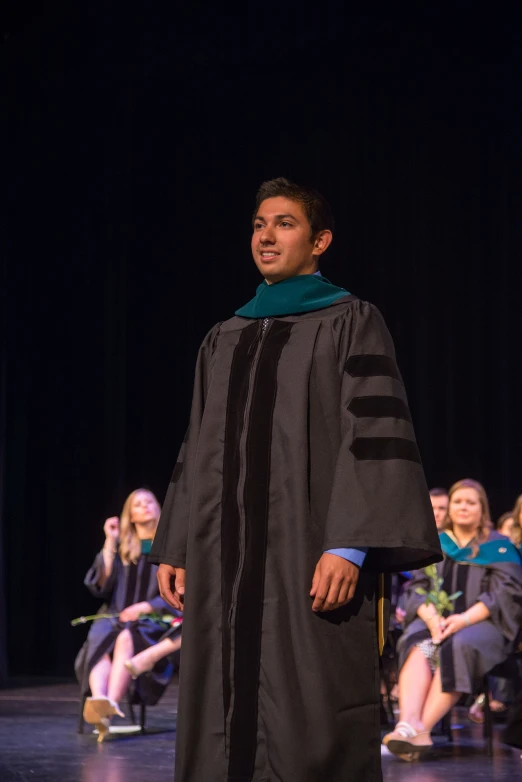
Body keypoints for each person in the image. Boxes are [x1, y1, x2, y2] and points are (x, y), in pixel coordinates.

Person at [150, 177, 442, 781]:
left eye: (284, 223)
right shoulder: (222, 337)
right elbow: (196, 442)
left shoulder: (351, 321)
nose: (266, 235)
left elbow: (374, 435)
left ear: (320, 241)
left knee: (311, 711)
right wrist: (177, 543)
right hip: (221, 560)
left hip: (308, 554)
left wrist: (349, 544)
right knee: (219, 713)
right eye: (259, 223)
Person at [383, 479, 522, 761]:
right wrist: (433, 619)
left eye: (471, 502)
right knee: (418, 641)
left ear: (482, 509)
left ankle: (423, 728)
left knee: (459, 645)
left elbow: (503, 596)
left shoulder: (499, 546)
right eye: (458, 501)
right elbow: (416, 587)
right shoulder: (435, 544)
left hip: (483, 625)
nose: (463, 507)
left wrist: (462, 620)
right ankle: (407, 725)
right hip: (437, 621)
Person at [75, 488, 179, 741]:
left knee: (126, 637)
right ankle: (100, 699)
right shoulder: (123, 548)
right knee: (100, 640)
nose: (144, 507)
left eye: (149, 502)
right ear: (130, 515)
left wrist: (144, 607)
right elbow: (101, 585)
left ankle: (109, 707)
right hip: (115, 616)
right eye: (137, 504)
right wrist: (109, 541)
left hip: (150, 620)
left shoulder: (169, 549)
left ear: (158, 509)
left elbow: (176, 590)